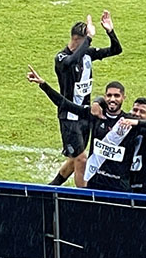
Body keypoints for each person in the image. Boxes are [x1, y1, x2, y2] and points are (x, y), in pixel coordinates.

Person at [27, 66, 146, 193]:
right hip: (95, 183)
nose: (112, 99)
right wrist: (43, 84)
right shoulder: (95, 115)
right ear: (105, 97)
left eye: (116, 96)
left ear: (123, 98)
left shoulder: (129, 121)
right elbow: (65, 104)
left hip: (119, 188)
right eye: (109, 95)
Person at [49, 11, 123, 187]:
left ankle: (51, 187)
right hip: (69, 117)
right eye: (85, 41)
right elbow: (70, 62)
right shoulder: (61, 58)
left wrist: (110, 31)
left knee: (77, 157)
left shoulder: (87, 53)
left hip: (85, 115)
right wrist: (88, 39)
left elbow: (116, 50)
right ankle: (83, 198)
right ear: (76, 39)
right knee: (81, 159)